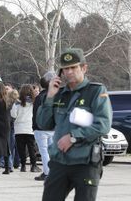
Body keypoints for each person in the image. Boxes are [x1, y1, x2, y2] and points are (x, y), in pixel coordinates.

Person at [37, 48, 112, 201]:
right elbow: (43, 123)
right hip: (60, 162)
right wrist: (50, 96)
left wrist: (73, 137)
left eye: (73, 67)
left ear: (84, 68)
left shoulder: (96, 91)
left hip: (85, 162)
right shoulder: (58, 93)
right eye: (65, 68)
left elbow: (103, 124)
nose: (69, 72)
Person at [32, 72, 56, 181]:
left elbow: (36, 112)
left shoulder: (40, 97)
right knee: (50, 152)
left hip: (41, 128)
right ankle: (51, 172)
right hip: (52, 128)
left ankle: (47, 173)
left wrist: (35, 126)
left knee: (44, 152)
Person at [11, 84, 40, 172]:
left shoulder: (17, 103)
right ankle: (33, 166)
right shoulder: (34, 103)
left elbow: (13, 114)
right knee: (31, 148)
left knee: (21, 149)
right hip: (30, 128)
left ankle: (23, 166)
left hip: (19, 129)